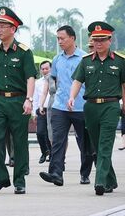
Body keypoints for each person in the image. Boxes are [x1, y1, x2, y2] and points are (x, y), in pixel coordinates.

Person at [0, 7, 36, 195]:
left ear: (13, 29)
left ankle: (19, 181)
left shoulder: (24, 52)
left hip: (18, 100)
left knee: (19, 142)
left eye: (3, 26)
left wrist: (29, 99)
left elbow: (31, 77)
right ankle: (1, 177)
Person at [68, 21, 125, 196]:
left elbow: (124, 85)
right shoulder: (86, 62)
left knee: (105, 143)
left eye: (102, 39)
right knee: (97, 146)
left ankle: (100, 182)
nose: (99, 43)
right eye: (96, 39)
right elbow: (77, 80)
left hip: (111, 105)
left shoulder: (121, 61)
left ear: (110, 40)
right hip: (91, 107)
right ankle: (111, 180)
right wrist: (71, 97)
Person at [39, 25, 94, 187]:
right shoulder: (56, 60)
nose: (60, 41)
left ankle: (85, 173)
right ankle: (56, 173)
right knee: (58, 141)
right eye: (58, 39)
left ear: (72, 38)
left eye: (62, 38)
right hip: (60, 106)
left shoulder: (85, 58)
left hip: (81, 107)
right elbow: (54, 80)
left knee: (85, 143)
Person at [32, 61, 52, 164]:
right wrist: (34, 113)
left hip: (53, 110)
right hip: (41, 109)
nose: (44, 71)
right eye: (43, 69)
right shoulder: (38, 82)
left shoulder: (55, 81)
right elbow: (35, 98)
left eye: (47, 68)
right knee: (40, 133)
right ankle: (45, 151)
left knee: (51, 134)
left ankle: (52, 155)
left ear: (51, 68)